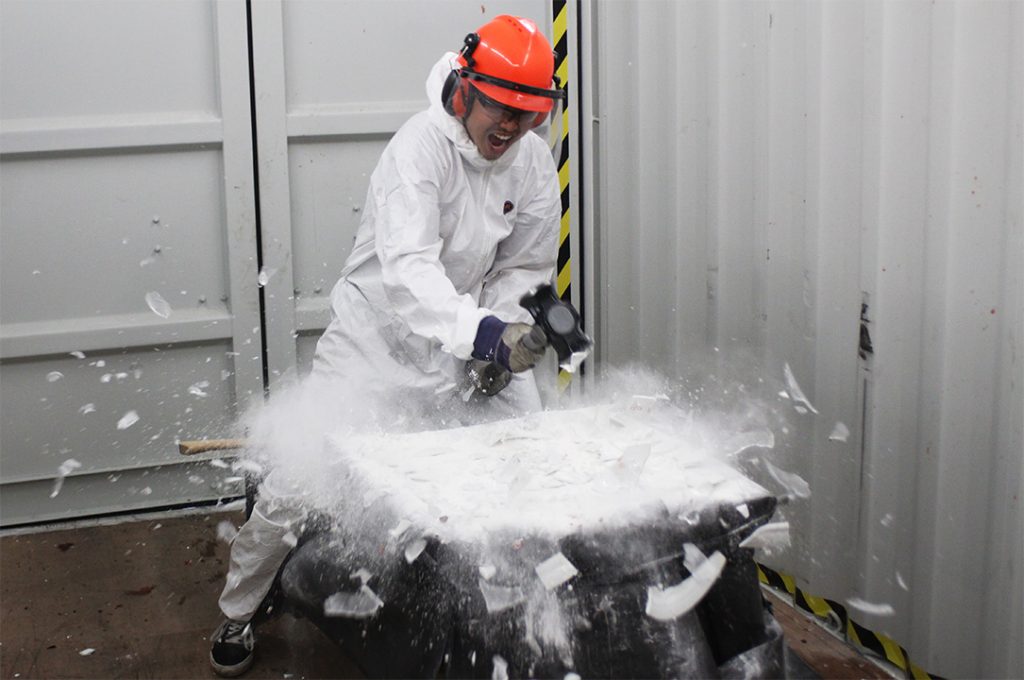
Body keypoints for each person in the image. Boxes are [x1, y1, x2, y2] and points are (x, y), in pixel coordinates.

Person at [209, 15, 564, 677]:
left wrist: (500, 334)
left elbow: (524, 266)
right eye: (501, 107)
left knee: (526, 454)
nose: (513, 127)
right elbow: (409, 273)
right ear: (466, 89)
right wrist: (486, 334)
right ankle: (239, 608)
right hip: (375, 342)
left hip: (464, 341)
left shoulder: (533, 161)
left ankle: (526, 612)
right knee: (299, 480)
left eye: (529, 113)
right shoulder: (418, 151)